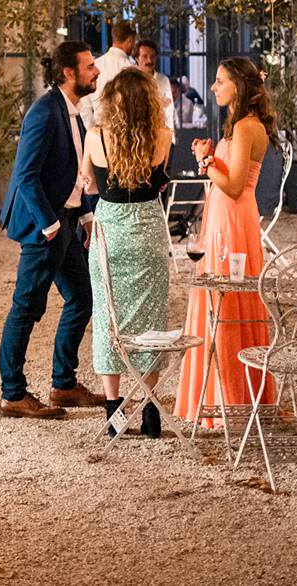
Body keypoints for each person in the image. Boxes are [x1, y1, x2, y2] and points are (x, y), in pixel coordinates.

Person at [0, 41, 103, 420]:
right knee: (26, 307)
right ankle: (13, 394)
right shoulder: (43, 113)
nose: (97, 71)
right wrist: (51, 224)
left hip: (68, 223)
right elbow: (25, 177)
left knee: (82, 297)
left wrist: (86, 218)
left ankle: (63, 384)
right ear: (68, 73)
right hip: (45, 229)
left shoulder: (72, 112)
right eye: (90, 66)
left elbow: (75, 174)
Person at [175, 57, 278, 425]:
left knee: (229, 304)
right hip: (222, 219)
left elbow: (234, 186)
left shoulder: (249, 127)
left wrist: (206, 162)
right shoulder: (238, 126)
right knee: (216, 302)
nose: (214, 87)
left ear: (239, 85)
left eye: (220, 81)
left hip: (234, 222)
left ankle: (232, 399)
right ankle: (213, 395)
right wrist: (211, 158)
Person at [80, 68, 172, 439]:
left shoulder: (95, 136)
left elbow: (86, 182)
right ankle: (151, 411)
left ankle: (113, 411)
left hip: (110, 235)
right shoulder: (162, 136)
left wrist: (95, 180)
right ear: (147, 101)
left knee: (107, 319)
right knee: (150, 322)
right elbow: (161, 176)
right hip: (148, 231)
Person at [79, 20, 138, 131]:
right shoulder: (133, 70)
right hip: (125, 133)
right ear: (130, 40)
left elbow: (84, 104)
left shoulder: (95, 65)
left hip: (98, 131)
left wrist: (92, 131)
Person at [134, 38, 177, 131]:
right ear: (137, 58)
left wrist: (171, 139)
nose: (149, 60)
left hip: (161, 135)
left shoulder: (164, 80)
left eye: (152, 56)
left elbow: (169, 112)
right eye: (145, 56)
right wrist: (157, 103)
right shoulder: (131, 82)